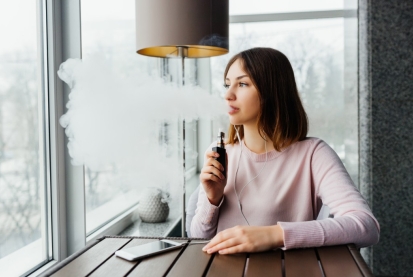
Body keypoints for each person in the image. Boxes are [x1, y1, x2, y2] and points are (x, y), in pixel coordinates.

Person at [190, 47, 380, 255]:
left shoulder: (313, 154)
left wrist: (274, 235)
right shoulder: (220, 152)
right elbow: (198, 241)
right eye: (227, 84)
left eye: (242, 84)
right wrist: (212, 199)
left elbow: (366, 226)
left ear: (272, 91)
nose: (228, 95)